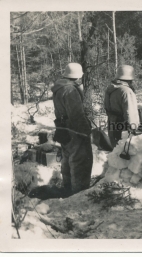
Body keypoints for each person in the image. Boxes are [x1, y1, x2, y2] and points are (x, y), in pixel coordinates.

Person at [50, 63, 93, 196]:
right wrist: (85, 131)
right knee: (81, 160)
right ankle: (79, 193)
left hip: (62, 127)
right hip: (74, 129)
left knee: (67, 158)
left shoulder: (59, 88)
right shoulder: (70, 90)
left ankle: (68, 189)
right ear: (78, 75)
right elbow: (76, 115)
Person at [104, 65, 140, 147]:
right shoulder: (126, 91)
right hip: (124, 128)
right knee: (126, 154)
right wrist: (134, 129)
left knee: (115, 152)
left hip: (112, 125)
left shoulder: (111, 89)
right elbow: (130, 112)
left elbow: (106, 107)